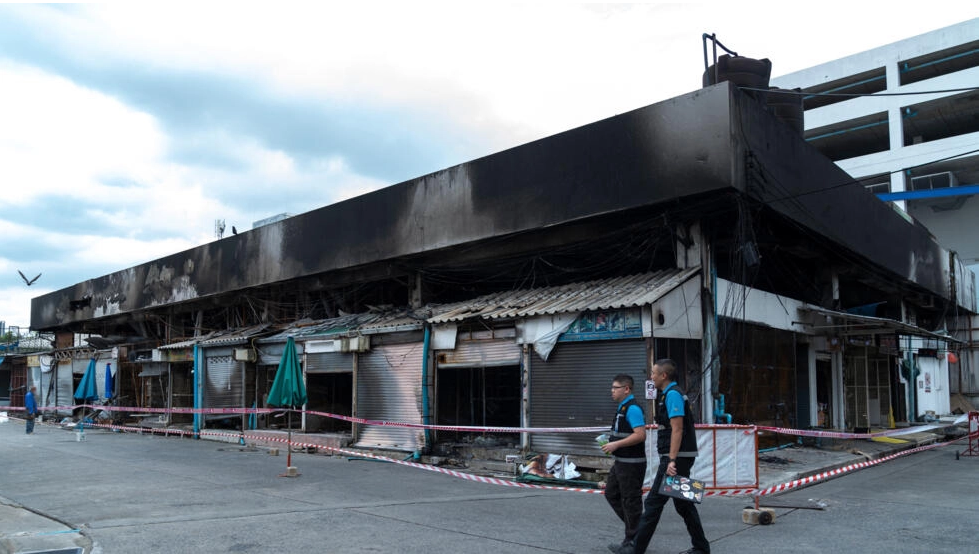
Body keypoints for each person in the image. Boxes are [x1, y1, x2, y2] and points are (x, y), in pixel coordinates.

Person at [611, 359, 710, 554]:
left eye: (654, 373)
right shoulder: (669, 394)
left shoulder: (673, 394)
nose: (651, 377)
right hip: (679, 456)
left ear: (664, 376)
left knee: (653, 503)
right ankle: (701, 546)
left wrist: (671, 460)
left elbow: (678, 429)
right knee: (684, 505)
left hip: (677, 458)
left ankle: (636, 548)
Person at [601, 374, 647, 550]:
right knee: (611, 494)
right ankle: (638, 530)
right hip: (621, 462)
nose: (612, 391)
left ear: (626, 389)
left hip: (632, 464)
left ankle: (633, 541)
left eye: (615, 388)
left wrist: (616, 444)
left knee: (631, 501)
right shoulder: (622, 408)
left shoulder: (632, 408)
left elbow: (640, 435)